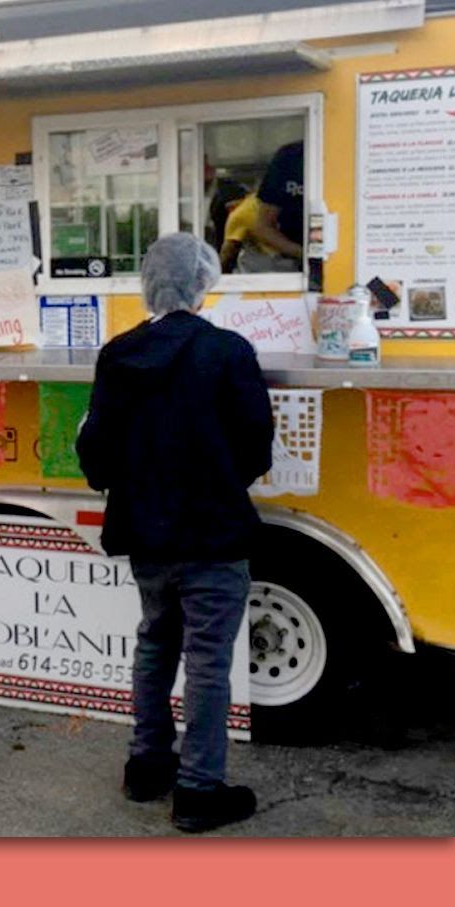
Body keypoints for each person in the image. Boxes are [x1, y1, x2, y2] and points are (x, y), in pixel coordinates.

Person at [76, 233, 274, 833]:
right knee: (209, 661)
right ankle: (198, 790)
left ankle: (146, 765)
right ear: (203, 283)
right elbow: (255, 449)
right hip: (213, 535)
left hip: (147, 537)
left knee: (155, 642)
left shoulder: (117, 354)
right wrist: (215, 481)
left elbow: (98, 451)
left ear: (149, 282)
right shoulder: (228, 352)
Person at [219, 140, 305, 274]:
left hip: (278, 260)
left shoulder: (240, 214)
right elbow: (263, 226)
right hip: (283, 261)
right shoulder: (290, 157)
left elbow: (228, 250)